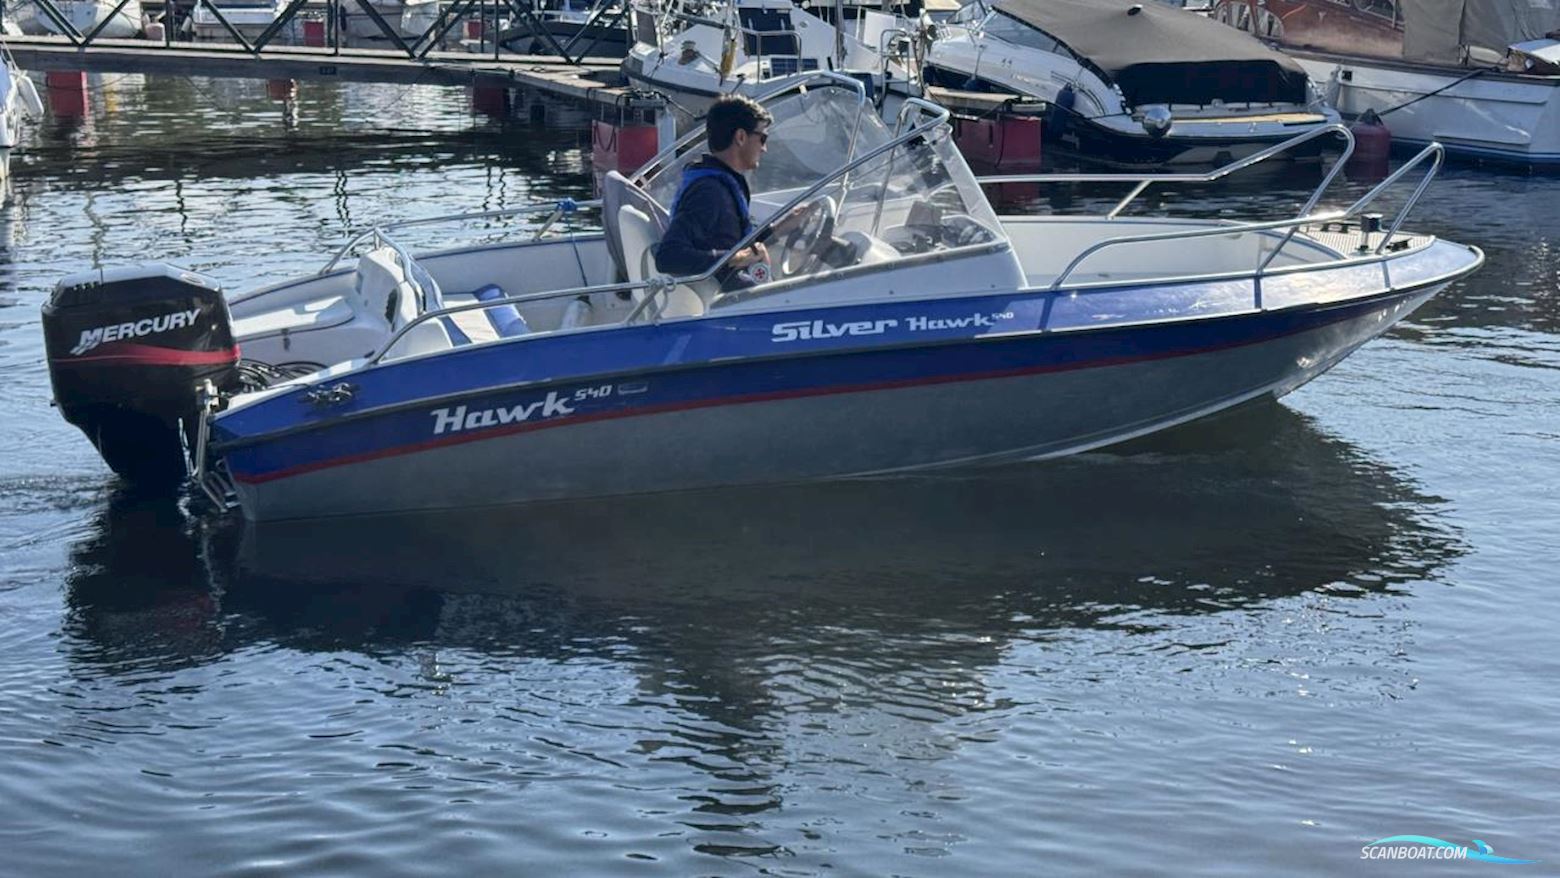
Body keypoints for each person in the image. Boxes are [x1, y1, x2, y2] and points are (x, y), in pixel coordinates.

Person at [654, 94, 780, 289]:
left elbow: (729, 237)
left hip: (736, 292)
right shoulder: (709, 193)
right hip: (733, 302)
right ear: (740, 137)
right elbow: (669, 257)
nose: (764, 148)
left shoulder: (718, 185)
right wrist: (736, 258)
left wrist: (778, 229)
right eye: (762, 138)